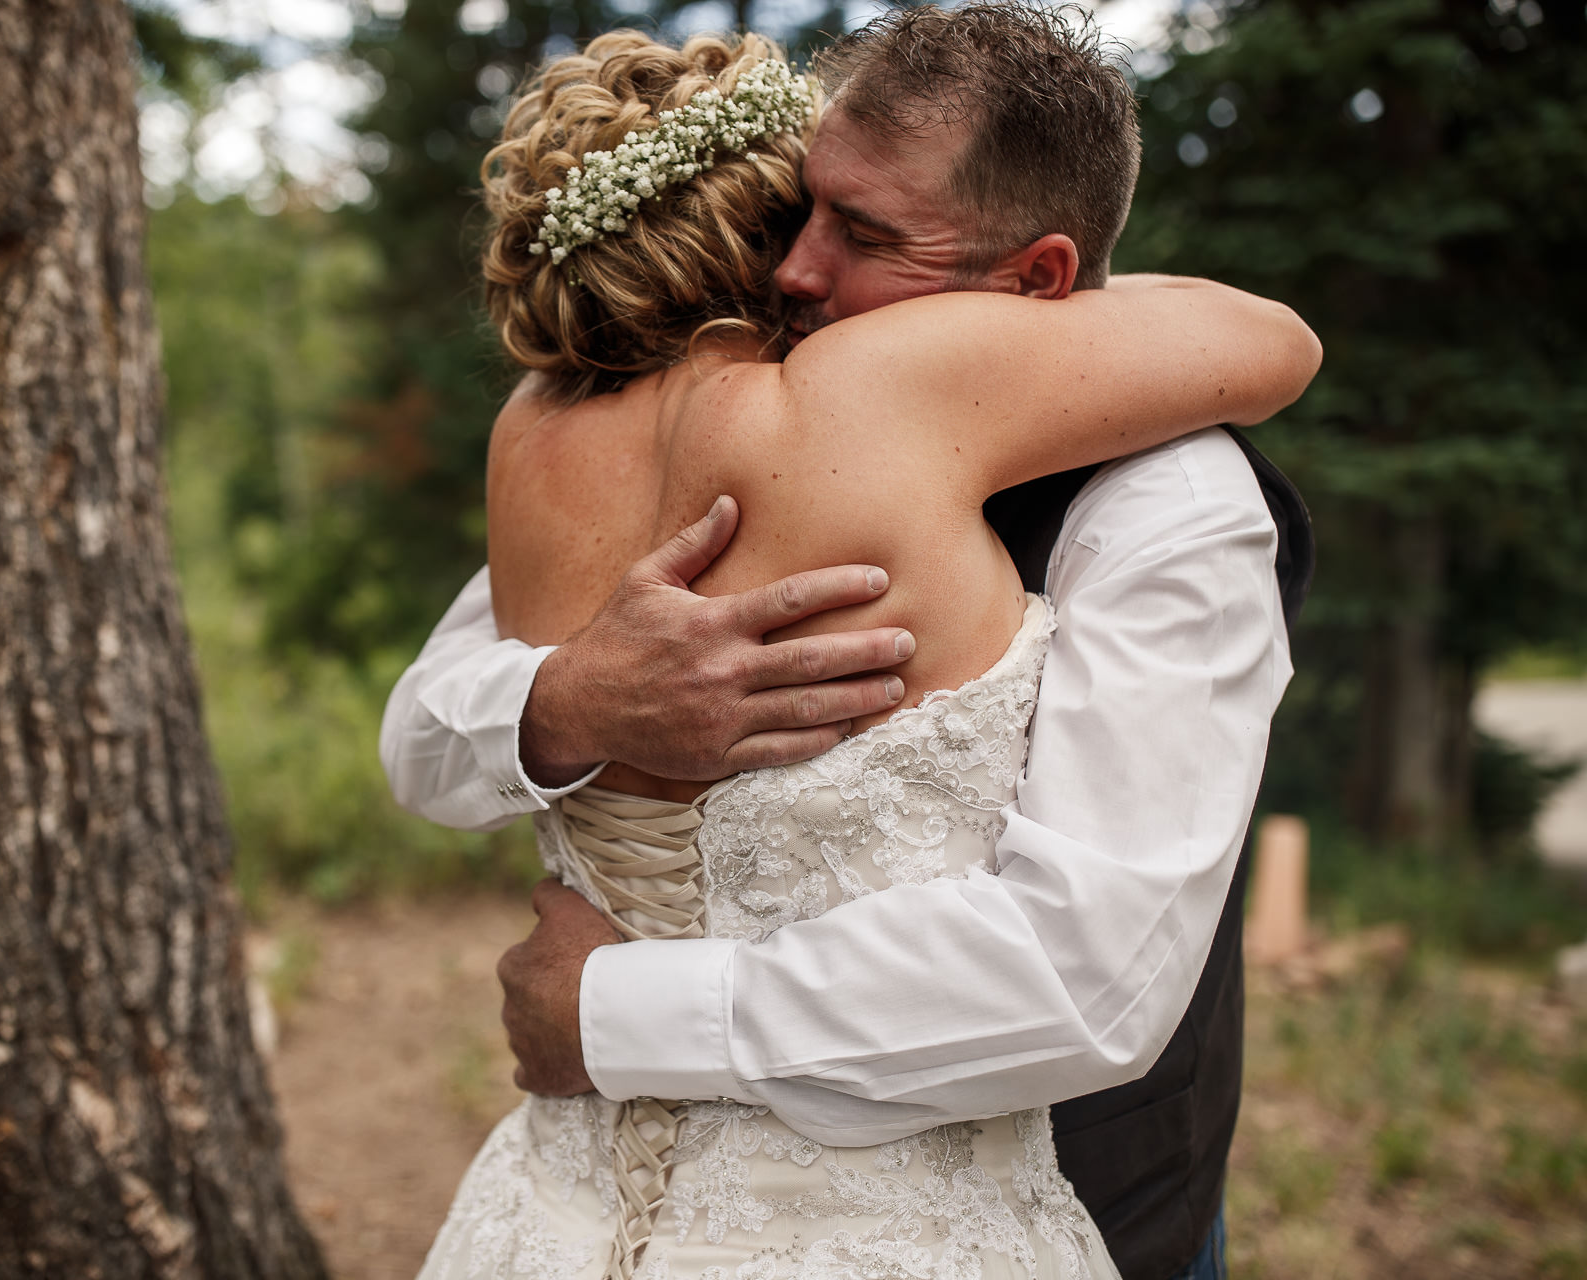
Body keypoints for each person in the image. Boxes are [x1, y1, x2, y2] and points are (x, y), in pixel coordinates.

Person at [395, 10, 1318, 1280]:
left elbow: (1082, 976)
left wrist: (607, 1014)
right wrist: (569, 700)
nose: (792, 272)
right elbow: (426, 741)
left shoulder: (1173, 506)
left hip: (1083, 1203)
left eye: (868, 236)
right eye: (801, 211)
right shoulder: (715, 423)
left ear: (1042, 283)